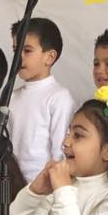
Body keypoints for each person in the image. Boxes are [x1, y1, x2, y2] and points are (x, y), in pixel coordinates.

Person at [9, 17, 79, 185]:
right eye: (15, 50)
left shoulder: (59, 97)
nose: (19, 57)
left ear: (49, 57)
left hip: (43, 185)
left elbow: (61, 150)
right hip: (12, 183)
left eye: (27, 50)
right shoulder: (12, 96)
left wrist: (49, 183)